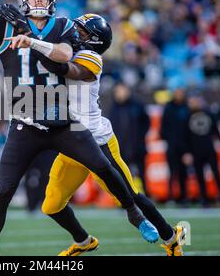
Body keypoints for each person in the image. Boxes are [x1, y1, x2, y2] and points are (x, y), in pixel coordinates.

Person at [0, 0, 158, 256]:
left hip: (62, 121)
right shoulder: (6, 29)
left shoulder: (62, 26)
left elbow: (62, 55)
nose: (38, 1)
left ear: (52, 1)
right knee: (3, 190)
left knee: (103, 166)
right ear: (23, 1)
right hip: (25, 123)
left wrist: (29, 35)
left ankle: (134, 213)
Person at [34, 13, 186, 256]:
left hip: (96, 142)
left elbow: (63, 66)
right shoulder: (67, 51)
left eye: (82, 33)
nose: (75, 34)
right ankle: (84, 242)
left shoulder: (91, 58)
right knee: (51, 205)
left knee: (130, 196)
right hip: (70, 142)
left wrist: (33, 40)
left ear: (93, 41)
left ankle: (171, 237)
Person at [185, 92, 220, 207]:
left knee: (216, 173)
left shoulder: (208, 113)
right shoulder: (187, 116)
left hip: (209, 148)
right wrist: (188, 152)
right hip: (196, 150)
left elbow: (215, 128)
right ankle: (204, 200)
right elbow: (185, 136)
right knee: (200, 176)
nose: (193, 103)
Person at [109, 82, 150, 195]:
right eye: (117, 91)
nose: (120, 94)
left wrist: (140, 137)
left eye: (122, 91)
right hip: (120, 148)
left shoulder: (138, 105)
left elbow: (146, 123)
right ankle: (125, 198)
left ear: (127, 91)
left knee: (141, 173)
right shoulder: (114, 108)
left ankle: (146, 196)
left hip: (137, 146)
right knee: (122, 175)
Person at [160, 82, 190, 205]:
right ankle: (171, 197)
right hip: (172, 146)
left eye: (180, 93)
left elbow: (189, 130)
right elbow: (163, 127)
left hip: (184, 147)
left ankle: (184, 197)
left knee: (183, 173)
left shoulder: (187, 108)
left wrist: (188, 149)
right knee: (172, 172)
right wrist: (168, 139)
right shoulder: (168, 107)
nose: (179, 95)